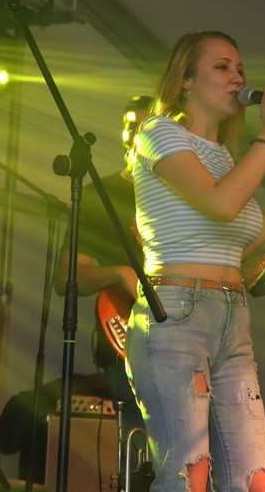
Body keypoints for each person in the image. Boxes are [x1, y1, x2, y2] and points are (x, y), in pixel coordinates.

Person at [125, 31, 265, 492]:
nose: (237, 78)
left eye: (240, 69)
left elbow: (227, 242)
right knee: (189, 473)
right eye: (222, 67)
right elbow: (220, 205)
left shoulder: (225, 155)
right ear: (186, 80)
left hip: (232, 314)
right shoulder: (158, 131)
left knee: (256, 479)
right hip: (177, 313)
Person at [53, 94, 153, 448]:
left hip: (183, 337)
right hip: (126, 337)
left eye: (146, 124)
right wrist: (119, 274)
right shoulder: (101, 195)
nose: (135, 131)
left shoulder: (184, 194)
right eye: (130, 124)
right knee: (140, 446)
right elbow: (66, 276)